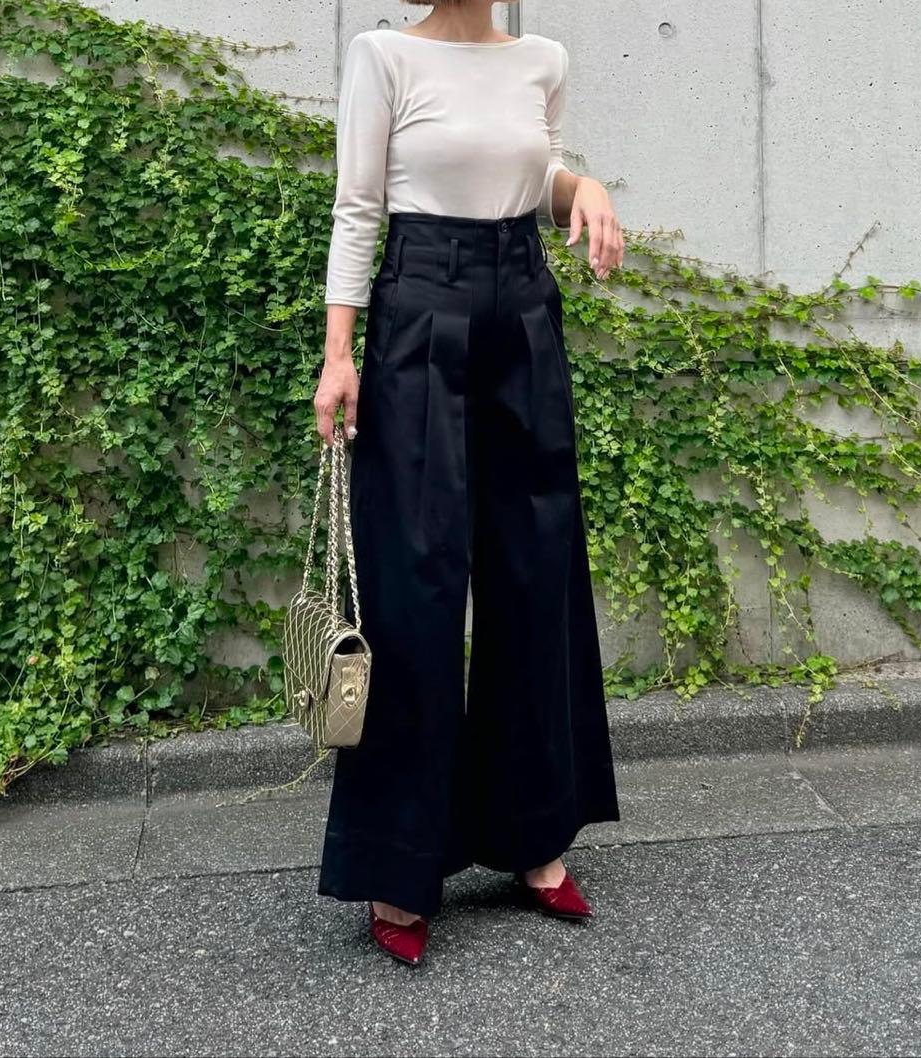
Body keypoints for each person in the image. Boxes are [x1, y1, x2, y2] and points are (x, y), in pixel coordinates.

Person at [313, 0, 624, 967]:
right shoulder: (383, 57)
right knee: (417, 582)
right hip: (420, 310)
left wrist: (580, 185)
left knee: (535, 571)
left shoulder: (542, 59)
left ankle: (535, 835)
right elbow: (359, 206)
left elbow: (532, 177)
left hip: (524, 308)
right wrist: (339, 353)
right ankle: (398, 864)